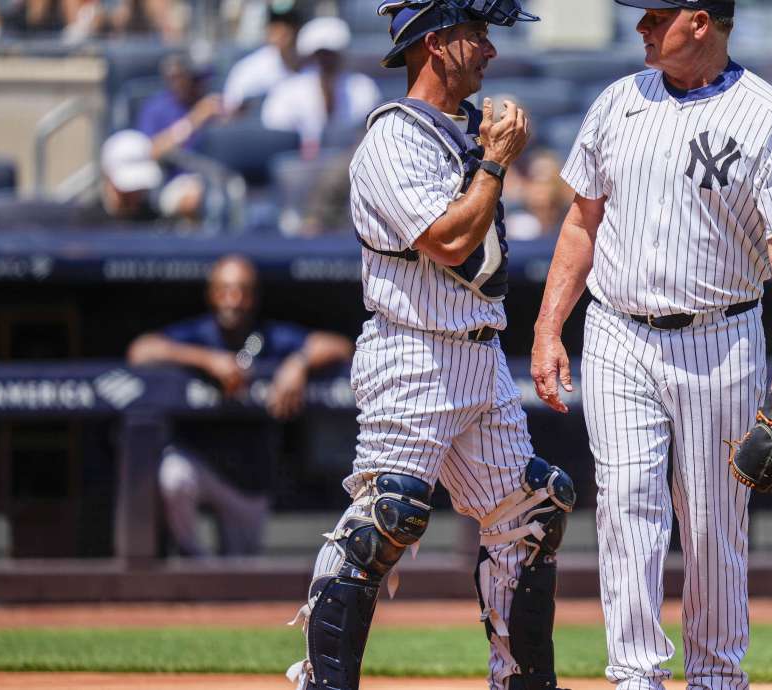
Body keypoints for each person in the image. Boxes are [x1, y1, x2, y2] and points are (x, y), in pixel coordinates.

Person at [531, 1, 772, 687]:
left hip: (719, 336)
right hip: (616, 328)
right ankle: (637, 672)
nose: (640, 25)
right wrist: (551, 327)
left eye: (656, 14)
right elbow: (582, 223)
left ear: (700, 21)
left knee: (711, 521)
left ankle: (717, 674)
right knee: (626, 502)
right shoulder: (618, 102)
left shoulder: (766, 114)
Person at [284, 2, 575, 690]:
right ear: (439, 45)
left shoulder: (462, 131)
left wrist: (502, 160)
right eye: (477, 37)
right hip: (414, 350)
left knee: (532, 510)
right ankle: (322, 683)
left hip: (479, 354)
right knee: (385, 519)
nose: (490, 52)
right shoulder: (395, 137)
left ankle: (521, 681)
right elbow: (447, 240)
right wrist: (499, 162)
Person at [127, 255, 353, 557]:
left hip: (248, 480)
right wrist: (208, 360)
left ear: (253, 297)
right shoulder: (199, 334)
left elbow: (338, 345)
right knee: (174, 474)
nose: (233, 300)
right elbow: (141, 351)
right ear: (212, 295)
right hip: (201, 462)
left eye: (242, 291)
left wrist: (298, 364)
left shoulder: (270, 337)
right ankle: (194, 560)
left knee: (241, 572)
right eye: (225, 290)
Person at [261, 16, 381, 154]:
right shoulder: (286, 91)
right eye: (320, 55)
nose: (325, 61)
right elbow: (278, 137)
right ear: (310, 56)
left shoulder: (363, 88)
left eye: (331, 54)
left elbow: (368, 136)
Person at [222, 2, 305, 116]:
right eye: (276, 23)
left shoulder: (313, 66)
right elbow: (230, 115)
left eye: (289, 23)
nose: (284, 31)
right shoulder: (248, 70)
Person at [137, 53, 223, 159]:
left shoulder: (212, 102)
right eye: (194, 79)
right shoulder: (156, 108)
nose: (199, 85)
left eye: (203, 79)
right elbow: (151, 152)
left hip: (214, 169)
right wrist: (195, 119)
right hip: (178, 173)